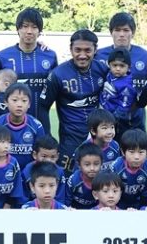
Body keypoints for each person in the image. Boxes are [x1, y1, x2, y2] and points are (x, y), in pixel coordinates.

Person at [39, 29, 108, 174]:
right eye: (77, 50)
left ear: (95, 50)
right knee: (70, 180)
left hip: (99, 138)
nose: (82, 55)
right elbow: (43, 107)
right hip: (70, 140)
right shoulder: (58, 74)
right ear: (71, 49)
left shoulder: (103, 70)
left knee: (100, 180)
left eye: (87, 50)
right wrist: (48, 136)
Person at [95, 12, 147, 133]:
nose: (121, 34)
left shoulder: (144, 56)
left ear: (133, 33)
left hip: (134, 122)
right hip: (105, 122)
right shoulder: (99, 55)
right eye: (117, 30)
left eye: (126, 30)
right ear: (111, 32)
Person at [0, 8, 58, 121]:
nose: (29, 31)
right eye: (25, 26)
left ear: (39, 31)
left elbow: (55, 90)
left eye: (34, 27)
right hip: (10, 123)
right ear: (18, 29)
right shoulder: (2, 56)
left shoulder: (50, 56)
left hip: (41, 120)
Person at [0, 83, 45, 171]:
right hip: (3, 172)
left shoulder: (36, 126)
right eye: (15, 100)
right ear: (6, 102)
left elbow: (41, 153)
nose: (19, 104)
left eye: (24, 101)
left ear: (29, 104)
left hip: (28, 173)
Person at [104, 129, 147, 210]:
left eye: (141, 152)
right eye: (132, 152)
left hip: (140, 204)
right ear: (123, 152)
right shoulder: (115, 167)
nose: (136, 157)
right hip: (118, 203)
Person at [99, 47, 137, 139]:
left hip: (115, 122)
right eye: (114, 65)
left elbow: (123, 107)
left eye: (122, 66)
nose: (118, 68)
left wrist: (110, 121)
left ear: (129, 67)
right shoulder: (108, 75)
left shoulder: (128, 85)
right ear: (109, 65)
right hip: (102, 113)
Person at [21, 134, 65, 203]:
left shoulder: (59, 172)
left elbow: (60, 199)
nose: (48, 161)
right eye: (44, 156)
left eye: (53, 157)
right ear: (35, 155)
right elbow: (23, 198)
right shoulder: (27, 172)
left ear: (58, 156)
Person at [63, 142, 103, 209]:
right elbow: (67, 201)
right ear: (79, 165)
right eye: (87, 164)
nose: (92, 168)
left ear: (101, 163)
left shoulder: (104, 180)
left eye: (96, 164)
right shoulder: (73, 180)